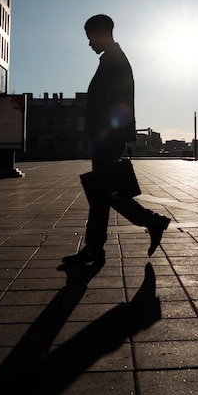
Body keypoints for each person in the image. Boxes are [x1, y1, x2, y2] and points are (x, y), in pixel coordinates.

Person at [63, 14, 170, 266]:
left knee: (105, 193)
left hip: (108, 139)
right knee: (102, 193)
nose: (89, 44)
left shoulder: (115, 61)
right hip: (108, 138)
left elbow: (119, 105)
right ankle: (95, 248)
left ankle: (151, 222)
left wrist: (109, 136)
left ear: (101, 33)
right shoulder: (112, 59)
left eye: (90, 38)